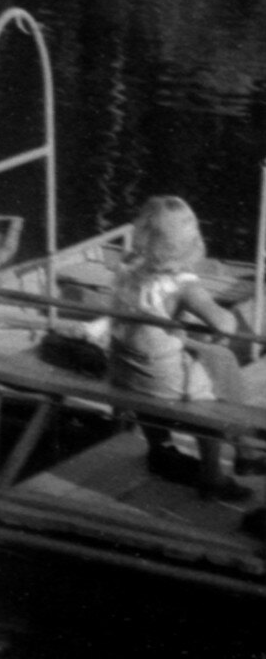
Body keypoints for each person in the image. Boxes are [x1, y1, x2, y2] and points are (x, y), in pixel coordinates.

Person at [109, 195, 261, 496]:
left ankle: (161, 448)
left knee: (205, 357)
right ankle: (215, 475)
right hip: (159, 378)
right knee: (210, 397)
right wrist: (218, 321)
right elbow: (225, 324)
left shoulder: (128, 265)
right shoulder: (182, 284)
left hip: (122, 369)